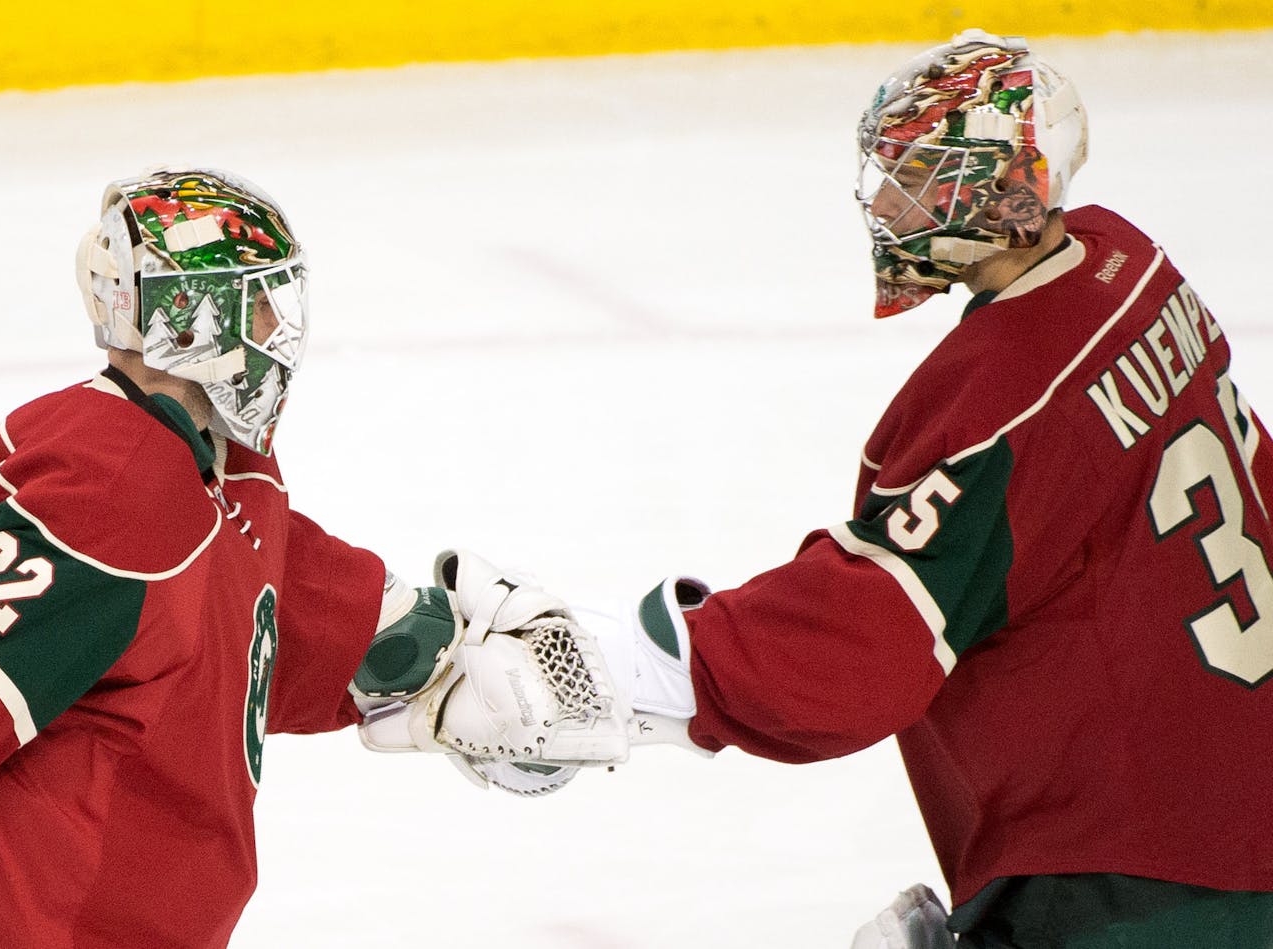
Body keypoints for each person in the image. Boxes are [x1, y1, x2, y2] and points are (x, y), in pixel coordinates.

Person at [519, 28, 1273, 948]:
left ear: (1016, 194)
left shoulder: (994, 399)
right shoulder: (1132, 265)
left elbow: (865, 640)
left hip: (1140, 871)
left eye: (926, 175)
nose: (887, 199)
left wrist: (638, 662)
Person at [0, 167, 625, 948]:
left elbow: (265, 604)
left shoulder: (217, 471)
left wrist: (432, 654)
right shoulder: (107, 481)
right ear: (185, 316)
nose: (279, 327)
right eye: (256, 299)